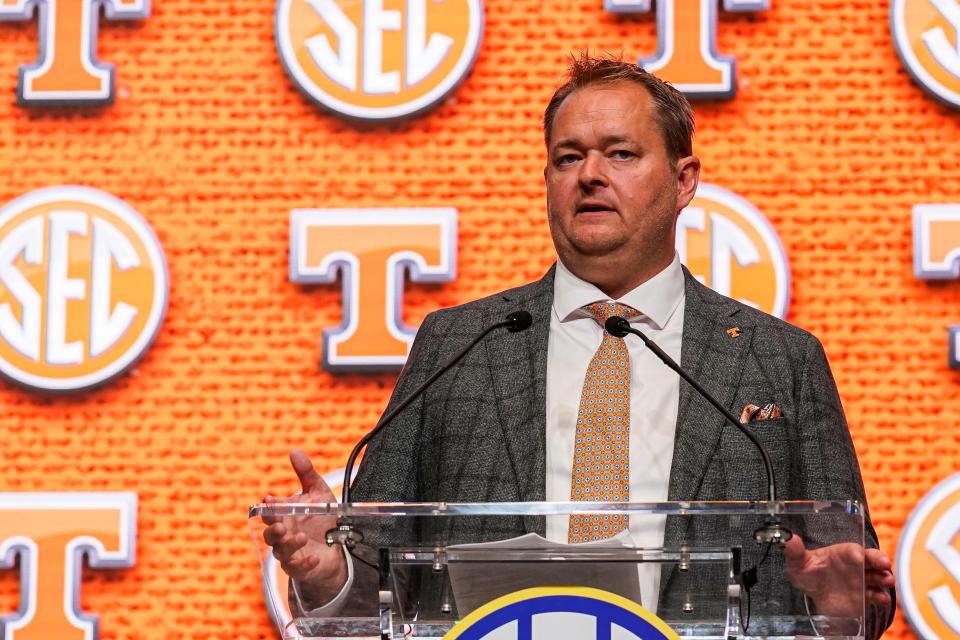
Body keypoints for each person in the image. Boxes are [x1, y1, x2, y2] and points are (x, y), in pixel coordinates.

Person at [264, 54, 896, 638]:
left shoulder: (779, 357)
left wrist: (841, 607)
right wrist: (329, 571)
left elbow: (852, 581)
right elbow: (379, 585)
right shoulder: (458, 344)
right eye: (568, 158)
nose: (590, 174)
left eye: (620, 153)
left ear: (684, 181)